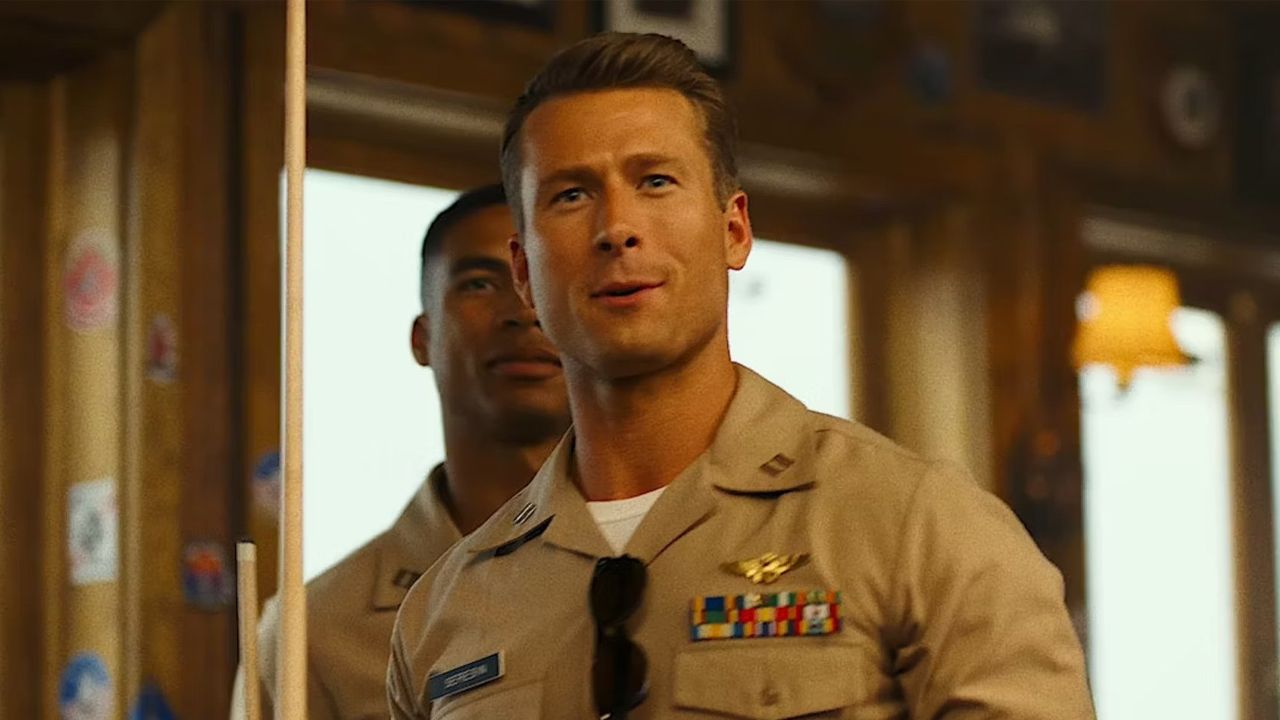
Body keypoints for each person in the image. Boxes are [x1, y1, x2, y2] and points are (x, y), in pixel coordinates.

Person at [388, 34, 1095, 719]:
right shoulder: (446, 613)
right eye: (571, 195)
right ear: (522, 271)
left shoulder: (916, 525)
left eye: (655, 181)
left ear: (734, 231)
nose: (617, 228)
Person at [230, 184, 569, 720]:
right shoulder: (316, 631)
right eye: (480, 284)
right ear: (421, 338)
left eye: (543, 276)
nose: (522, 311)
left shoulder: (664, 555)